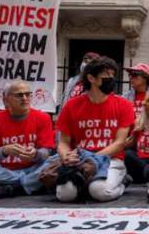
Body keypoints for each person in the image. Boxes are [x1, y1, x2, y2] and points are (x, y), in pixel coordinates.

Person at [54, 56, 135, 202]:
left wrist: (92, 159)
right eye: (106, 76)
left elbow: (119, 143)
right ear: (91, 78)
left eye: (113, 75)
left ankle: (121, 182)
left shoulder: (124, 105)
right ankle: (85, 185)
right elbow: (63, 141)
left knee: (100, 192)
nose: (111, 79)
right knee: (65, 195)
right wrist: (66, 156)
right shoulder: (72, 106)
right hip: (79, 160)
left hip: (110, 159)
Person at [0, 80, 55, 200]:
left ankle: (12, 188)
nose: (25, 98)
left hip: (33, 168)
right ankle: (29, 184)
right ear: (6, 100)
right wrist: (4, 151)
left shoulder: (43, 118)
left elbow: (47, 152)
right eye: (19, 95)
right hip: (5, 171)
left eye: (28, 94)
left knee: (57, 160)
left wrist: (35, 154)